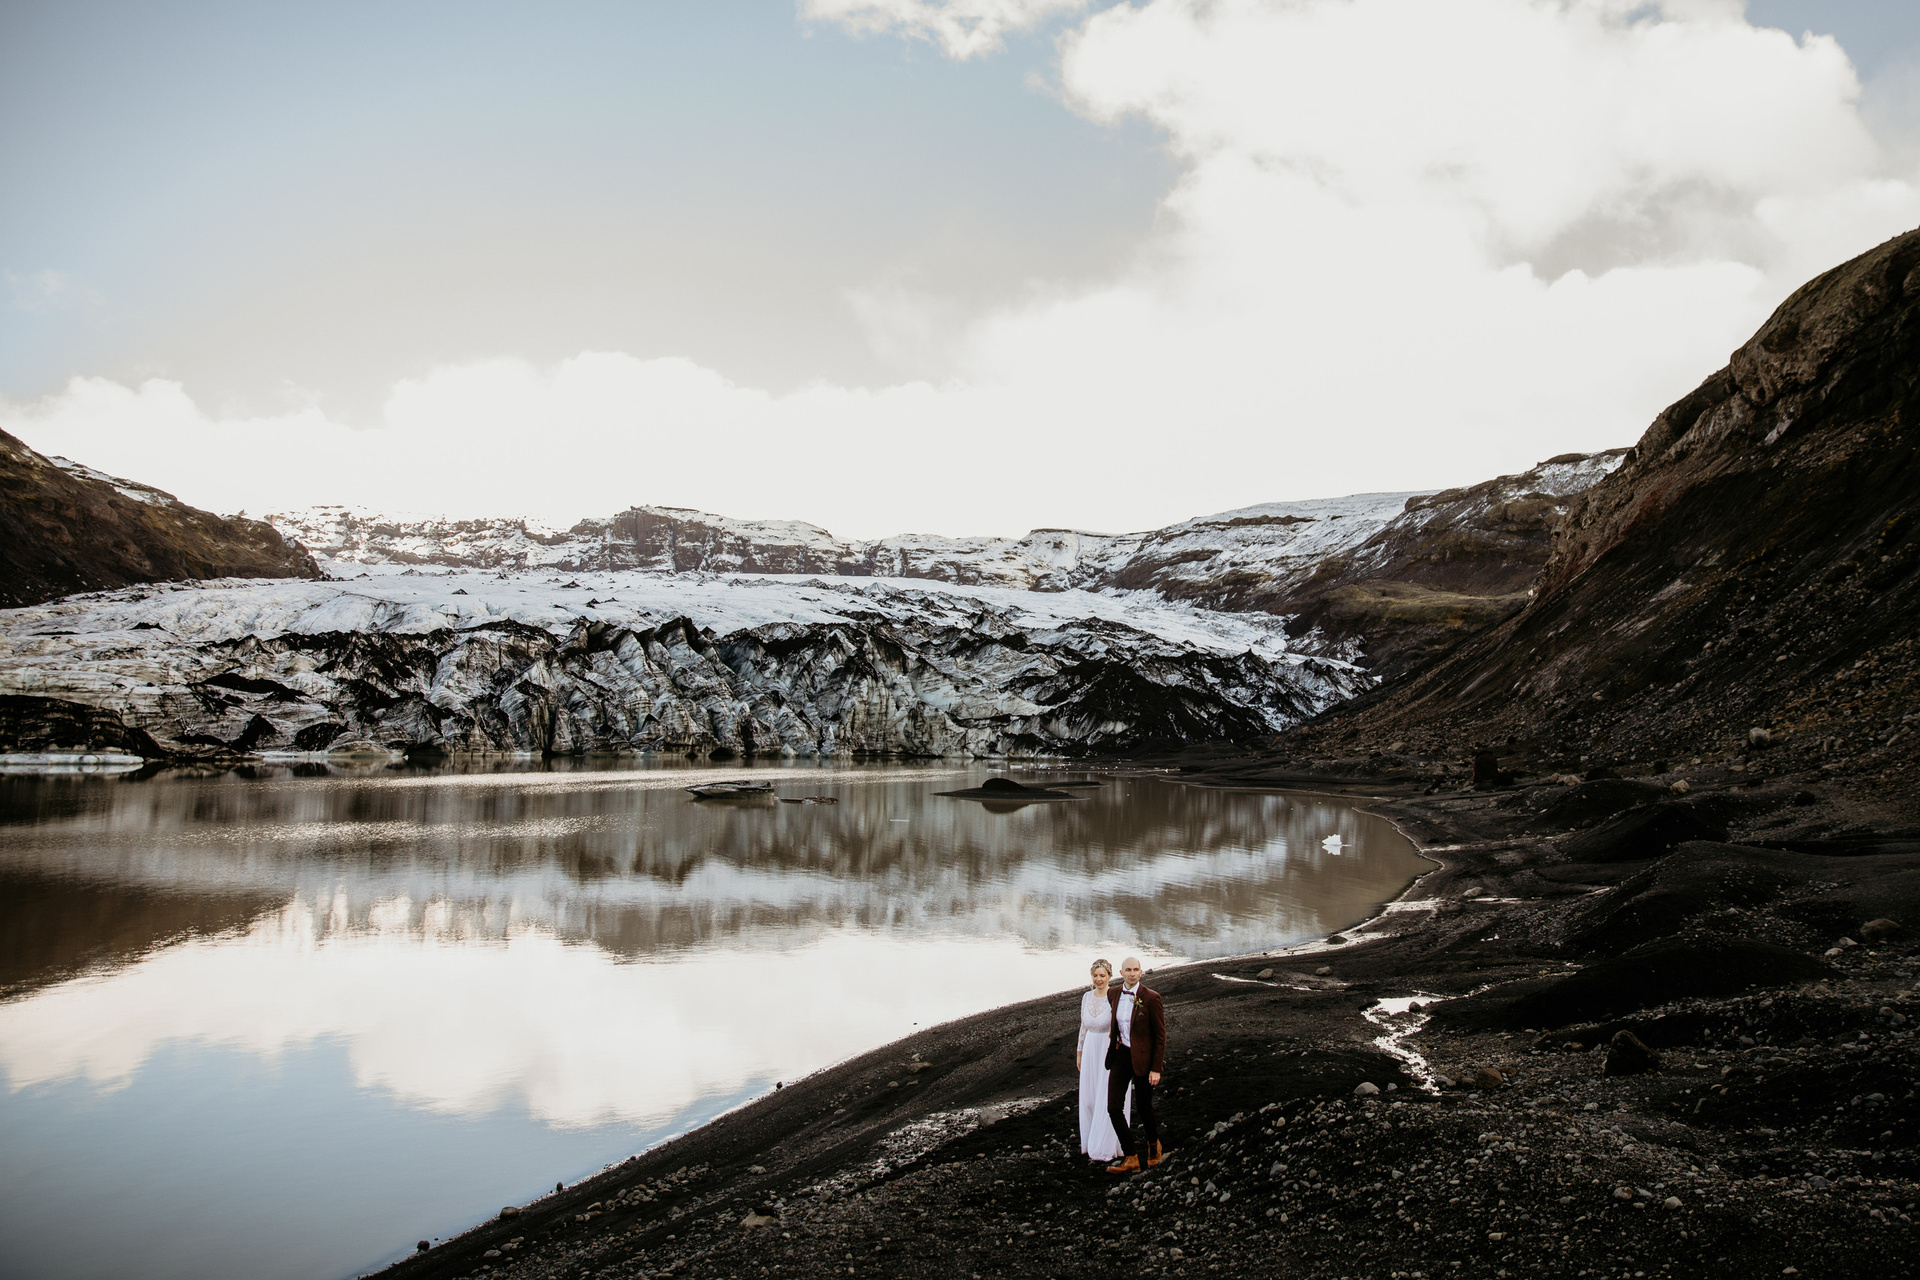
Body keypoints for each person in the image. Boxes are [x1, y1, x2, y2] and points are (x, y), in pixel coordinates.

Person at [1104, 955, 1167, 1173]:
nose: (1132, 973)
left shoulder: (1151, 998)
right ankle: (1131, 1156)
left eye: (1135, 970)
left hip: (1144, 1059)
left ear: (1141, 972)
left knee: (1144, 1106)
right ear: (1121, 973)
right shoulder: (1113, 993)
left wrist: (1156, 1068)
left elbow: (1160, 1036)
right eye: (1128, 970)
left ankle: (1154, 1146)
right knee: (1113, 1107)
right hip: (1121, 1056)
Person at [1075, 959, 1128, 1163]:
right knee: (1089, 1096)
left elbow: (1121, 1026)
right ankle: (1090, 1140)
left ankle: (1105, 1144)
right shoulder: (1086, 997)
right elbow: (1083, 1027)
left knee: (1106, 1095)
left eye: (1102, 975)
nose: (1098, 979)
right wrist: (1079, 1052)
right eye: (1095, 975)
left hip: (1108, 1049)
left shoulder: (1115, 996)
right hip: (1090, 1048)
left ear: (1109, 976)